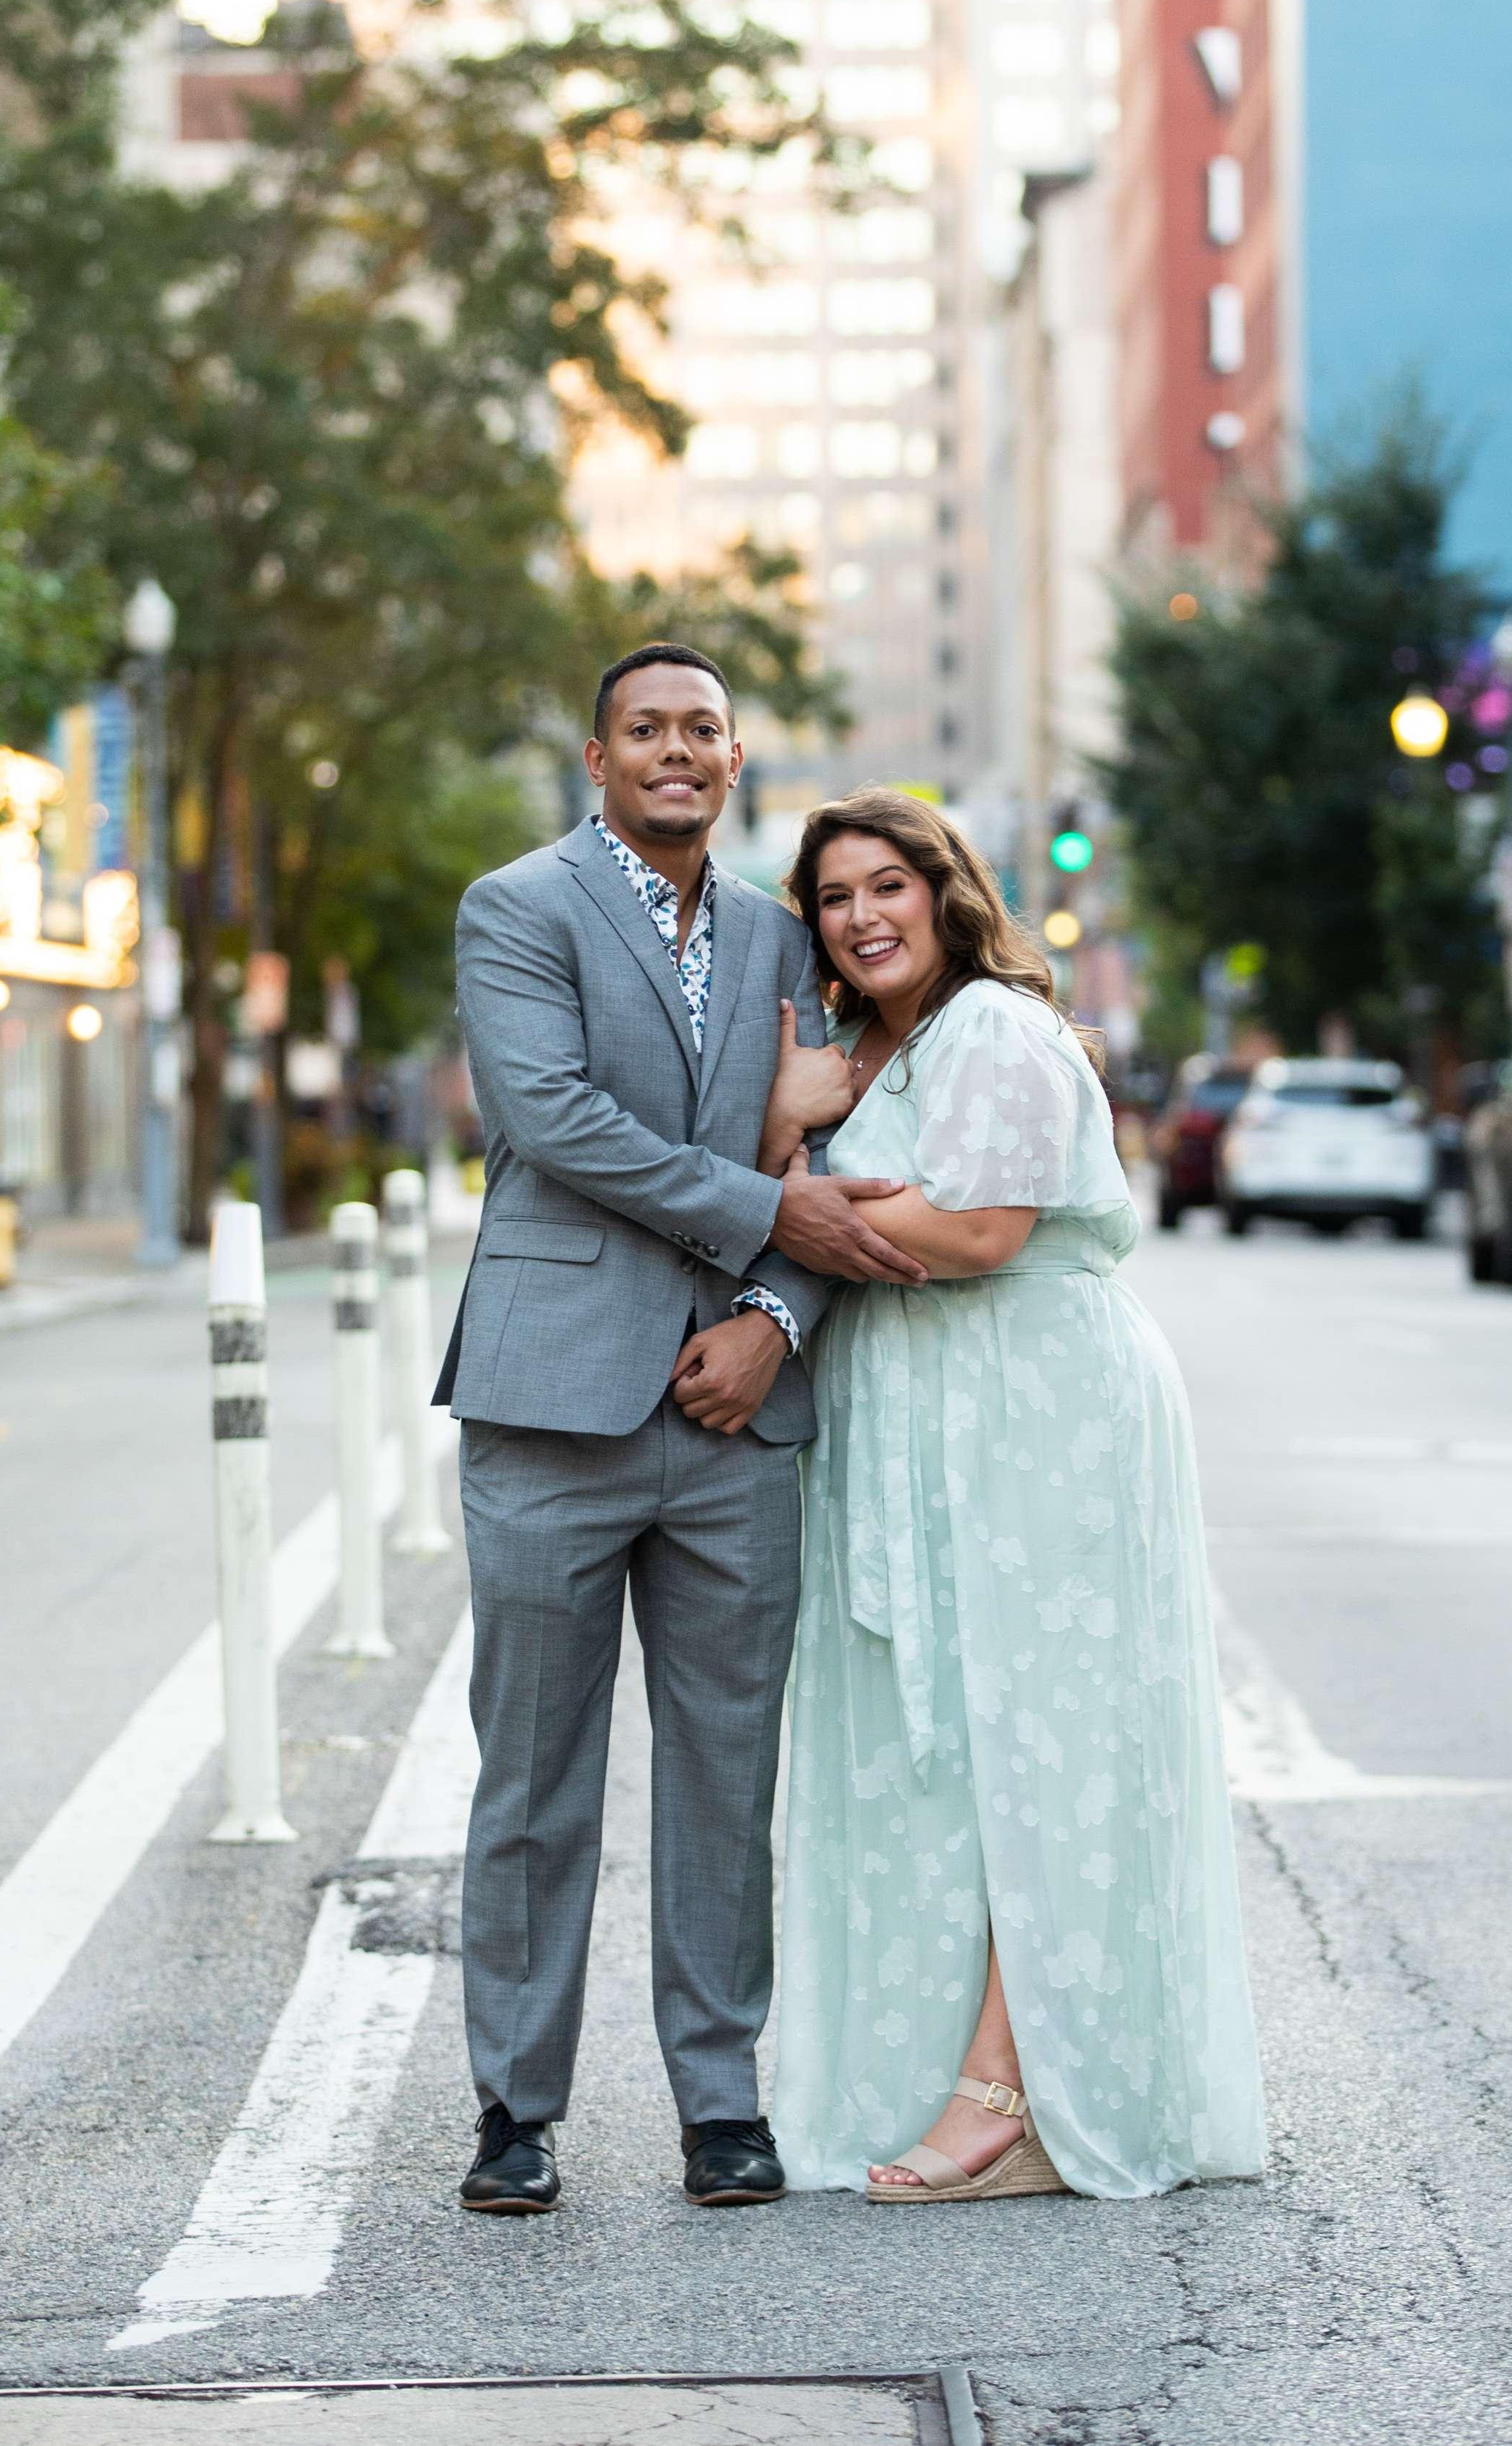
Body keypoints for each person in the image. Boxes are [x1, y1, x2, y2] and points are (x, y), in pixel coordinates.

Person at [439, 648, 927, 2220]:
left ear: (733, 759)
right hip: (554, 1404)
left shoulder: (790, 935)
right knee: (535, 1774)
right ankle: (517, 2109)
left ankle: (722, 2102)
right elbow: (555, 1120)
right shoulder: (519, 909)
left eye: (701, 730)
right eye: (645, 729)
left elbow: (841, 1149)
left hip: (739, 1415)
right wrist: (766, 1214)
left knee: (726, 1777)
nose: (675, 750)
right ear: (598, 757)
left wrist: (777, 1311)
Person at [760, 788, 1269, 2203]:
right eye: (834, 897)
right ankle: (953, 2070)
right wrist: (801, 1154)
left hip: (1038, 1410)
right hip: (922, 1410)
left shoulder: (996, 1026)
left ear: (946, 892)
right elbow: (867, 1213)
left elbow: (981, 1229)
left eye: (887, 885)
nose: (862, 916)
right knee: (943, 1753)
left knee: (1046, 1739)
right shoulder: (865, 1057)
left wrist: (798, 1203)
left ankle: (1016, 2091)